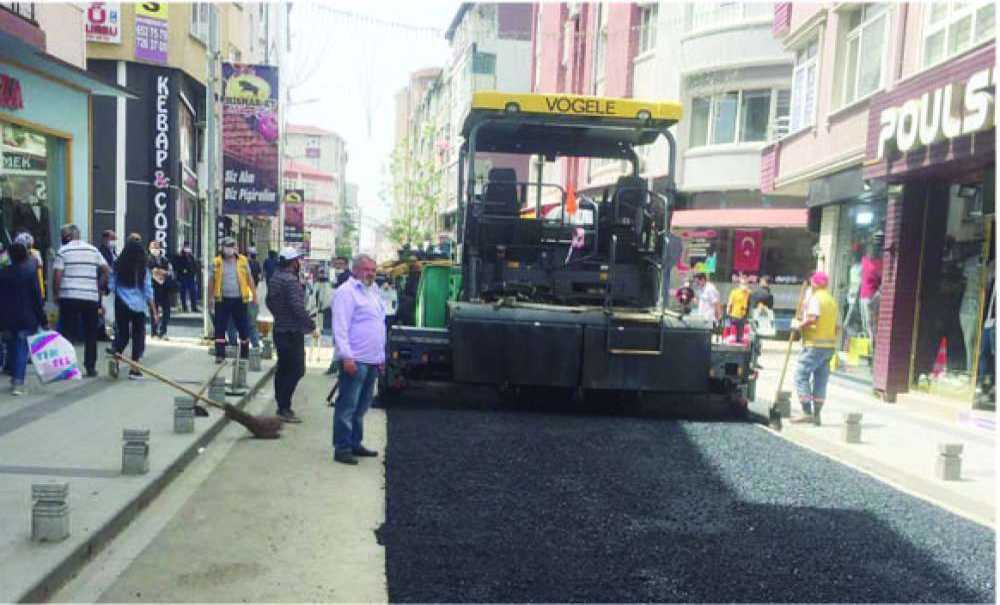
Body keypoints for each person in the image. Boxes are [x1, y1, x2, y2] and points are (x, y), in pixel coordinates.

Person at [331, 254, 385, 465]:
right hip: (355, 360)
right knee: (347, 406)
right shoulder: (346, 293)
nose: (371, 273)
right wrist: (346, 357)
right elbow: (340, 328)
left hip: (371, 361)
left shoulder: (373, 292)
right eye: (366, 269)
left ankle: (355, 443)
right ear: (355, 270)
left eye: (373, 270)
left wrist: (380, 357)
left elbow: (378, 325)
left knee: (362, 407)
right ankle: (342, 448)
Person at [52, 223, 109, 378]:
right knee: (91, 333)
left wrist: (56, 294)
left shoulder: (63, 250)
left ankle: (66, 367)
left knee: (66, 332)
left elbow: (57, 275)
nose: (61, 239)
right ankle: (90, 367)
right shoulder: (93, 250)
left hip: (69, 296)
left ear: (68, 237)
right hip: (90, 298)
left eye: (62, 236)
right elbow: (106, 270)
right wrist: (99, 287)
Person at [264, 247, 313, 423]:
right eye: (297, 260)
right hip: (292, 331)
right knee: (297, 369)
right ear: (293, 262)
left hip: (279, 329)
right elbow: (297, 307)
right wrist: (310, 324)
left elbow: (268, 301)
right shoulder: (291, 281)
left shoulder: (275, 278)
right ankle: (284, 407)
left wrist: (279, 314)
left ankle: (281, 405)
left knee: (283, 368)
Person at [791, 271, 839, 426]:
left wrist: (798, 325)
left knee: (801, 375)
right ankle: (817, 415)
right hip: (829, 346)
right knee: (820, 379)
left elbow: (812, 318)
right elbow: (837, 327)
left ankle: (806, 412)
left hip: (814, 345)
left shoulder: (815, 298)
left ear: (815, 283)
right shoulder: (831, 301)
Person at [0, 242, 48, 395]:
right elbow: (36, 299)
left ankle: (14, 377)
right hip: (26, 318)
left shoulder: (3, 273)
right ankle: (18, 382)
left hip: (7, 319)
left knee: (12, 348)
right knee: (21, 349)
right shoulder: (29, 273)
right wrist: (43, 320)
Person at [111, 236, 158, 379]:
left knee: (123, 334)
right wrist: (154, 311)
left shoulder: (118, 265)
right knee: (138, 336)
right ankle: (134, 368)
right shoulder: (143, 268)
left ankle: (115, 357)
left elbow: (111, 285)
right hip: (139, 307)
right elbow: (148, 290)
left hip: (121, 304)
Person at [211, 236, 255, 363]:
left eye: (232, 246)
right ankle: (220, 355)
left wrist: (254, 296)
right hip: (222, 299)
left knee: (243, 327)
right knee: (220, 328)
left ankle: (244, 355)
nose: (230, 249)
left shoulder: (243, 261)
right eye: (227, 246)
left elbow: (249, 279)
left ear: (235, 248)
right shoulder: (217, 262)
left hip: (239, 300)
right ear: (222, 248)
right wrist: (210, 299)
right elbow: (211, 281)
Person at [147, 240, 174, 339]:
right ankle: (154, 332)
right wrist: (160, 271)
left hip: (164, 288)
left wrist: (160, 271)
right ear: (150, 249)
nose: (156, 250)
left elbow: (169, 272)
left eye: (157, 247)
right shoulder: (148, 259)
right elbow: (151, 270)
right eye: (153, 248)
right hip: (153, 288)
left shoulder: (165, 260)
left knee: (167, 311)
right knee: (153, 311)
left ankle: (163, 331)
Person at [174, 242, 200, 313]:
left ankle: (194, 307)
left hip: (191, 277)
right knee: (183, 292)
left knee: (193, 292)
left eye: (188, 247)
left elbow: (195, 266)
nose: (187, 248)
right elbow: (177, 266)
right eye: (186, 247)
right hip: (183, 277)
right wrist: (183, 270)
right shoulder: (179, 256)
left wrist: (194, 272)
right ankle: (184, 307)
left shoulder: (191, 256)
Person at [726, 274, 752, 343]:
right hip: (735, 314)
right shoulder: (734, 292)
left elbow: (750, 303)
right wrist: (728, 311)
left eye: (745, 283)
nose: (744, 285)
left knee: (741, 333)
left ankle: (740, 340)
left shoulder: (749, 293)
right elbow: (730, 302)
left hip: (744, 315)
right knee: (734, 330)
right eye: (743, 283)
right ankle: (734, 339)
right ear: (740, 284)